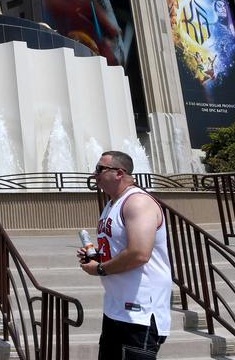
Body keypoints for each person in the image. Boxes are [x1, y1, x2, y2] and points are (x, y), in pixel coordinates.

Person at [79, 151, 171, 359]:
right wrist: (96, 257)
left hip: (140, 311)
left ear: (120, 173)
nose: (95, 174)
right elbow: (118, 250)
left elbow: (139, 253)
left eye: (100, 169)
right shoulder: (112, 204)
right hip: (115, 308)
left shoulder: (137, 202)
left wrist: (100, 269)